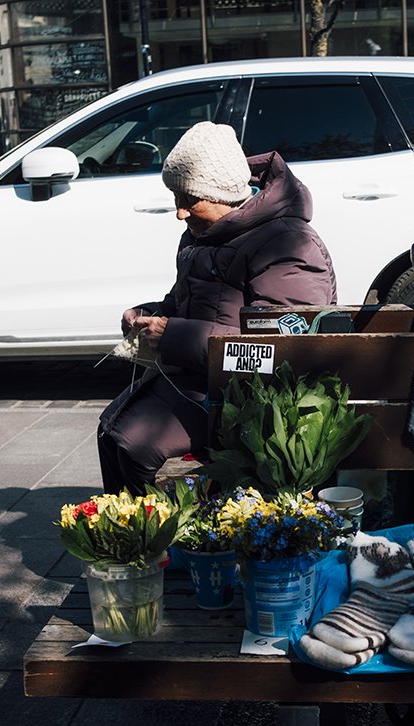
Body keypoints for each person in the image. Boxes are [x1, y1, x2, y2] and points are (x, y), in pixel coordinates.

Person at [97, 121, 337, 495]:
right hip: (200, 379)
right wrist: (148, 315)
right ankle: (138, 542)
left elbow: (281, 348)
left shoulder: (289, 245)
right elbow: (187, 299)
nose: (179, 212)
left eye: (189, 199)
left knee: (130, 443)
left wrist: (172, 334)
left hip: (249, 401)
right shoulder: (205, 233)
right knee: (111, 432)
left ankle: (165, 540)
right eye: (176, 198)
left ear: (224, 194)